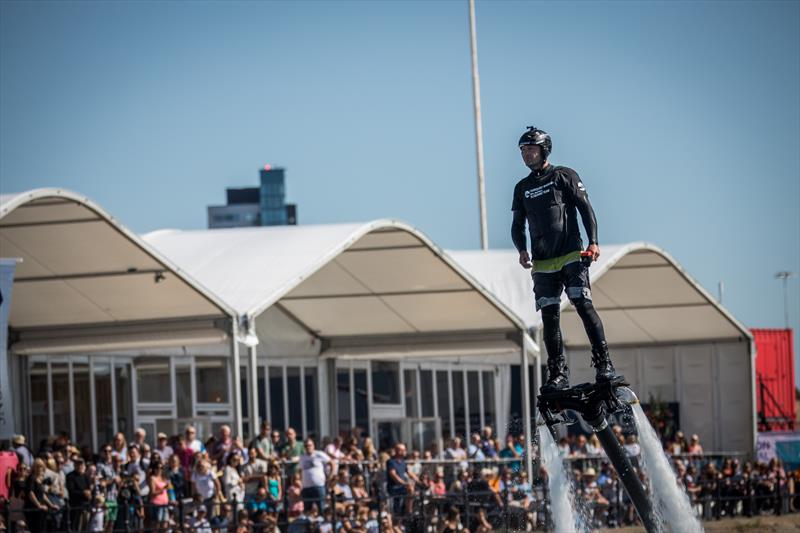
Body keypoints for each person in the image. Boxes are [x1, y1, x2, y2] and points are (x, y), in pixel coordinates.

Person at [511, 126, 616, 390]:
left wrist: (593, 241)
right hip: (543, 262)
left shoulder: (563, 175)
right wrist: (521, 249)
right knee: (549, 317)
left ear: (544, 149)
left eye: (531, 149)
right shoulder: (522, 188)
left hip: (571, 254)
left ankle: (604, 364)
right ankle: (558, 373)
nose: (526, 154)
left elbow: (585, 208)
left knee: (582, 304)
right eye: (523, 150)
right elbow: (517, 224)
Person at [299, 438, 331, 512]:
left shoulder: (319, 454)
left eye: (310, 445)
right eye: (306, 446)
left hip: (319, 486)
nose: (308, 447)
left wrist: (330, 476)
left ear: (313, 446)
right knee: (307, 510)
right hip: (306, 487)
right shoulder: (302, 457)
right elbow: (300, 470)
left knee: (321, 508)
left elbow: (331, 463)